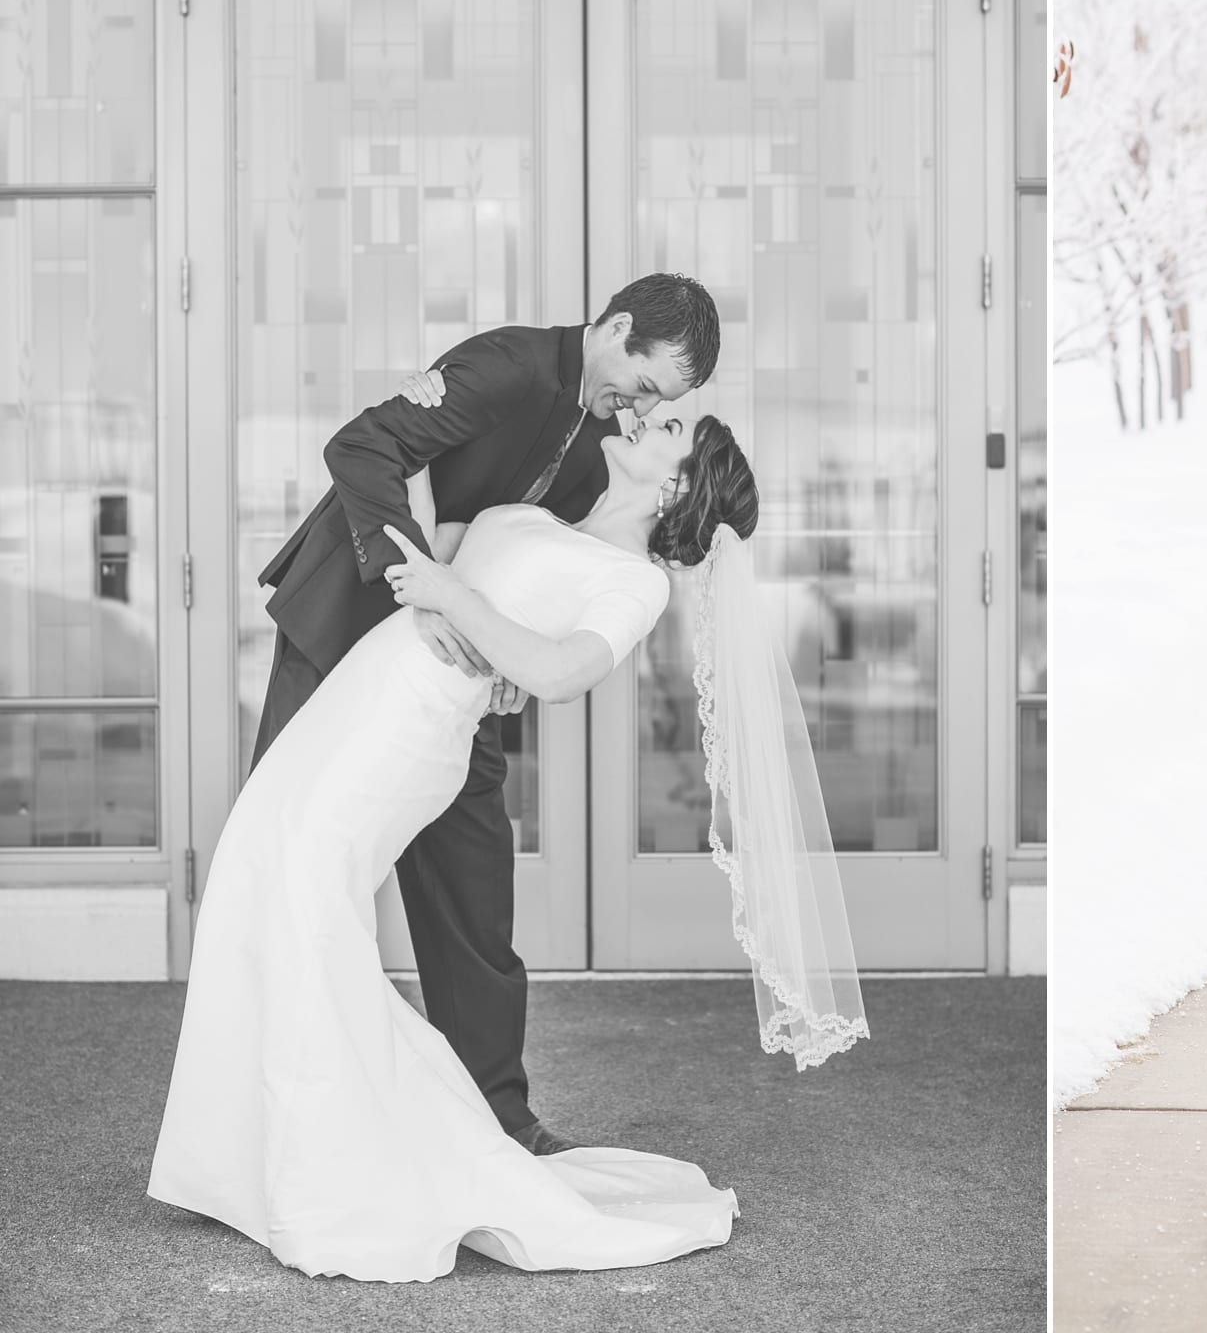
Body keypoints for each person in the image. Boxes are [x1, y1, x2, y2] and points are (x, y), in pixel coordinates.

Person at [149, 412, 870, 1280]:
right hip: (365, 692)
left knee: (304, 911)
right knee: (255, 877)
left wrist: (460, 605)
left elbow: (562, 672)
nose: (641, 416)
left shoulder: (635, 583)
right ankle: (250, 1155)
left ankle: (348, 1174)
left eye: (666, 424)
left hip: (408, 732)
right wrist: (421, 420)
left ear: (675, 484)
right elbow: (431, 538)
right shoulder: (546, 517)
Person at [248, 274, 718, 1154]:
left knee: (473, 873)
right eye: (645, 385)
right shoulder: (506, 365)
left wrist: (503, 658)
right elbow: (361, 448)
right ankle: (272, 1115)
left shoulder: (594, 460)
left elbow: (520, 562)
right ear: (615, 327)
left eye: (660, 405)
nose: (638, 409)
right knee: (285, 860)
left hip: (457, 677)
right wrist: (419, 594)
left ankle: (496, 1114)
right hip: (346, 625)